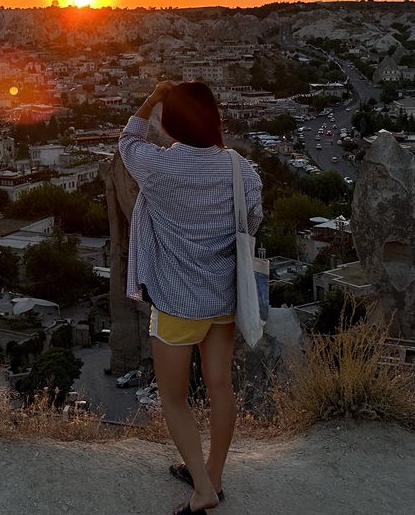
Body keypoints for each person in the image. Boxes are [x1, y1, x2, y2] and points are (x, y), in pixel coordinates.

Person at [119, 80, 263, 515]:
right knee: (221, 387)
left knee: (175, 397)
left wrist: (153, 98)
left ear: (172, 121)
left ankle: (202, 488)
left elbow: (127, 140)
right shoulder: (241, 169)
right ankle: (214, 477)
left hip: (177, 300)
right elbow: (252, 221)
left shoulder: (159, 168)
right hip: (223, 299)